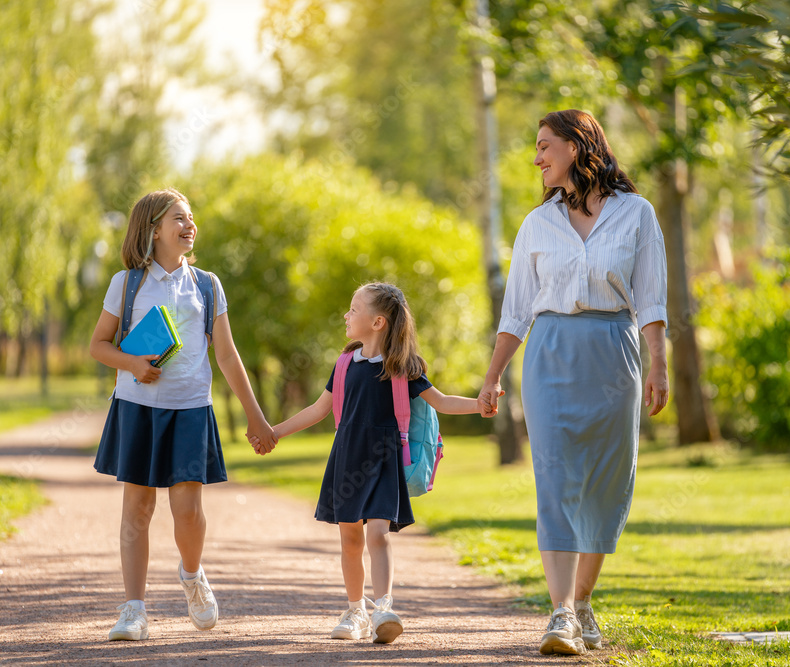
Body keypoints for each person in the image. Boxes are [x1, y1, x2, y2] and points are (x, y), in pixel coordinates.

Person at [478, 110, 669, 656]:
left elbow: (652, 299)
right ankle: (560, 614)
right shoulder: (538, 225)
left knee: (608, 485)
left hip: (614, 353)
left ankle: (582, 601)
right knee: (556, 481)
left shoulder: (637, 215)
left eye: (544, 147)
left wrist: (658, 364)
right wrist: (493, 377)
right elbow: (516, 312)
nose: (536, 158)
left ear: (576, 146)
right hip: (551, 355)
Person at [89, 187, 277, 641]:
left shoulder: (207, 285)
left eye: (191, 217)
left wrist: (256, 417)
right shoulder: (126, 282)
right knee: (138, 507)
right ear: (154, 229)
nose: (189, 224)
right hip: (137, 409)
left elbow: (228, 357)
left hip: (191, 410)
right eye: (179, 217)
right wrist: (133, 364)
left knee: (188, 511)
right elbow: (98, 346)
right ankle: (134, 610)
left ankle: (192, 577)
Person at [252, 282, 486, 644]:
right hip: (347, 458)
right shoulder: (346, 363)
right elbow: (318, 410)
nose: (347, 315)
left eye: (353, 309)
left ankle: (384, 609)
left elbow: (441, 401)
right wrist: (273, 432)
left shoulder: (403, 367)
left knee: (377, 533)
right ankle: (355, 610)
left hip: (383, 462)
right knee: (349, 539)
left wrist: (479, 403)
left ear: (377, 322)